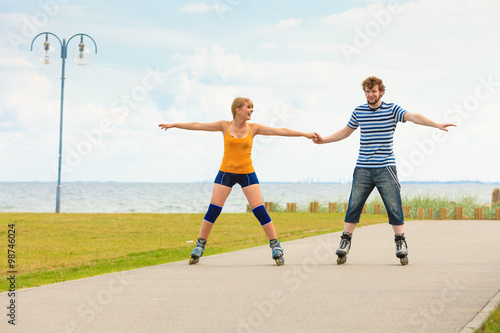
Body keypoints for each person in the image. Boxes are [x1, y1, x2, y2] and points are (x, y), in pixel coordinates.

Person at [313, 76, 456, 265]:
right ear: (364, 92)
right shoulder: (359, 111)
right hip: (363, 167)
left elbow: (413, 117)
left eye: (374, 91)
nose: (370, 94)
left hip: (385, 167)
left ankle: (400, 242)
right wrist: (324, 140)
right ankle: (345, 241)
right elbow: (345, 132)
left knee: (393, 206)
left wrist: (436, 124)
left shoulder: (392, 109)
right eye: (367, 91)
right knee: (354, 205)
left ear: (381, 92)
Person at [159, 97, 316, 266]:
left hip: (246, 174)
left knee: (259, 210)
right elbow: (198, 125)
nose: (252, 111)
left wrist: (305, 134)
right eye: (249, 107)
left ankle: (275, 246)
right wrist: (174, 124)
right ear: (238, 109)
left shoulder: (254, 128)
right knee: (213, 210)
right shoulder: (224, 126)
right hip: (225, 174)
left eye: (252, 108)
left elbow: (281, 131)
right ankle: (200, 246)